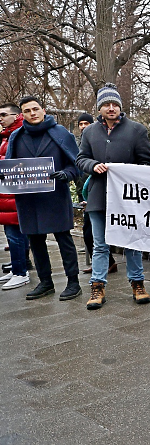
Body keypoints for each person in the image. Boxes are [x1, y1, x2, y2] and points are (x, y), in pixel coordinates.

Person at [77, 83, 150, 310]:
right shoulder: (89, 132)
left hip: (127, 199)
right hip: (99, 196)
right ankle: (97, 287)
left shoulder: (136, 130)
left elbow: (145, 162)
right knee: (100, 244)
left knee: (132, 243)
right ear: (99, 108)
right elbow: (81, 159)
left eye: (115, 104)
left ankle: (138, 284)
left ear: (120, 106)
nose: (111, 108)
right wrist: (93, 165)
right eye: (106, 104)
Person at [6, 96, 81, 300]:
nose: (33, 113)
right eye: (28, 110)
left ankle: (73, 282)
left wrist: (66, 175)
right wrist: (5, 175)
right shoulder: (16, 136)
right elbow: (10, 166)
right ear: (23, 114)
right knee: (36, 241)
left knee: (64, 240)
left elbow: (76, 163)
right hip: (28, 200)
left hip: (55, 197)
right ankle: (45, 282)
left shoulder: (61, 133)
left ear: (43, 110)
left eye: (36, 109)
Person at [76, 113, 116, 275]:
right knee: (91, 235)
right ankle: (101, 270)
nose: (83, 126)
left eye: (86, 123)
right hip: (90, 195)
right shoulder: (83, 143)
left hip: (106, 194)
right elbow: (80, 163)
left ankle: (107, 264)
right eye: (81, 123)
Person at [0, 103, 31, 291]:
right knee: (11, 234)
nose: (1, 118)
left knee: (15, 235)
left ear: (16, 116)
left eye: (3, 114)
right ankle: (17, 268)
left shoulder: (19, 134)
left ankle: (21, 272)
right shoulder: (6, 136)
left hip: (14, 192)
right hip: (6, 192)